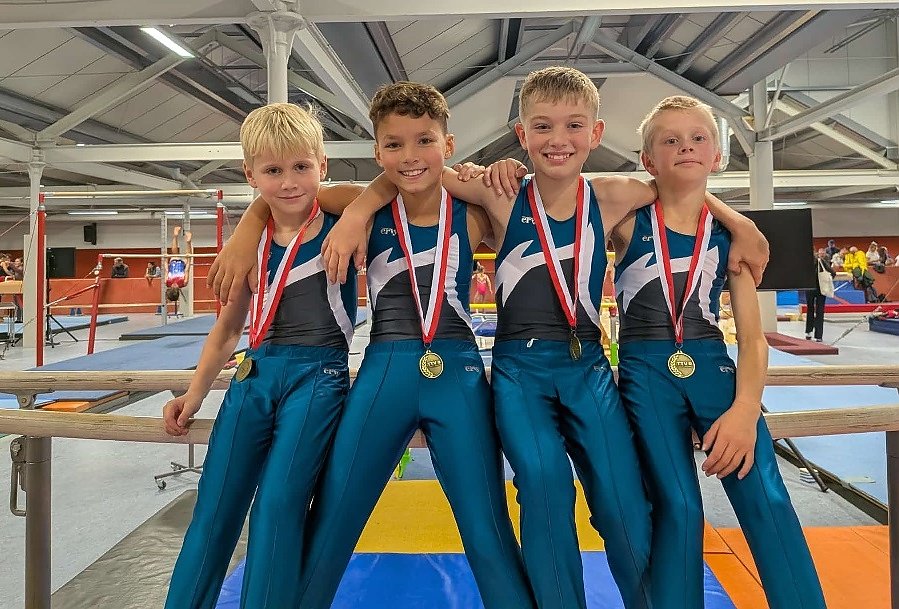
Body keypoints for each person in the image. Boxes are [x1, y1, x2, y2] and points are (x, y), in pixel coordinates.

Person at [211, 83, 536, 609]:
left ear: (448, 144)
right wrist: (249, 231)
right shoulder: (352, 205)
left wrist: (500, 171)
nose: (410, 156)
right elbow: (276, 202)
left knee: (486, 524)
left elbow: (530, 209)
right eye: (394, 145)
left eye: (424, 140)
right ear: (377, 152)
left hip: (458, 371)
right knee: (334, 516)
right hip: (383, 369)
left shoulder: (473, 209)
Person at [613, 95, 825, 609]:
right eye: (671, 140)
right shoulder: (625, 223)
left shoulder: (732, 240)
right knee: (677, 510)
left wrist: (746, 409)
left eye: (698, 138)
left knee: (768, 500)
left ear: (717, 155)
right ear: (648, 160)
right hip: (644, 373)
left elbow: (753, 338)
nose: (686, 147)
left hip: (714, 368)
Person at [161, 103, 362, 609]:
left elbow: (393, 188)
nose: (289, 182)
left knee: (276, 507)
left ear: (322, 165)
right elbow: (228, 329)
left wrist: (253, 216)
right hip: (252, 375)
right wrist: (193, 394)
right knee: (213, 510)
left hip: (318, 377)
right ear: (250, 174)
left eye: (302, 167)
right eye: (272, 171)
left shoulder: (344, 221)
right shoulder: (248, 249)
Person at [806, 248, 835, 342]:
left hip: (809, 288)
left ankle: (808, 332)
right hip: (821, 289)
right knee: (820, 311)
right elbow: (833, 273)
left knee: (810, 309)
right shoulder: (820, 261)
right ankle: (818, 336)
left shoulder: (804, 264)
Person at [164, 226, 191, 301]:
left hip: (182, 264)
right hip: (174, 263)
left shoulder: (184, 283)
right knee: (174, 253)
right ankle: (175, 236)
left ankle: (188, 242)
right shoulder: (167, 282)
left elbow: (187, 270)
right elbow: (166, 270)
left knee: (188, 256)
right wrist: (165, 260)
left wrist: (189, 260)